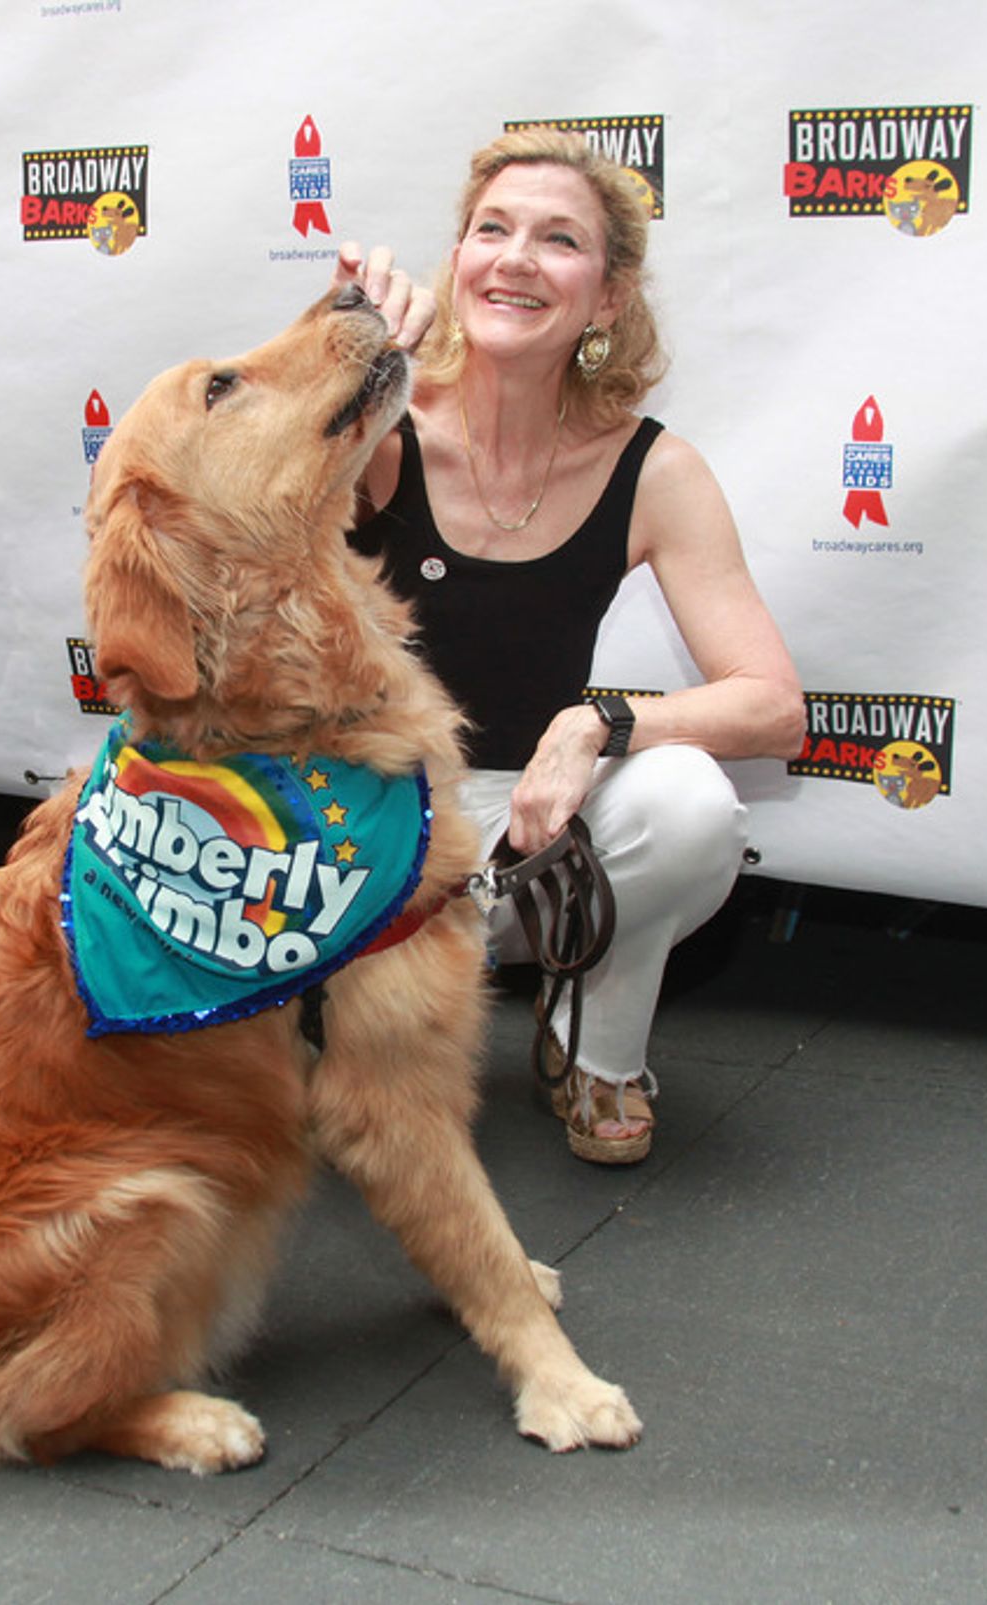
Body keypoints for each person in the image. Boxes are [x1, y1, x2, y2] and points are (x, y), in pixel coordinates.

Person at [336, 126, 805, 1165]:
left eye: (557, 240)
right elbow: (222, 515)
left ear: (605, 298)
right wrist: (342, 354)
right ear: (454, 262)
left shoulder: (651, 467)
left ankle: (595, 1051)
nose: (513, 257)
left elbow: (772, 704)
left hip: (534, 840)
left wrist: (594, 722)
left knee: (686, 801)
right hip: (361, 818)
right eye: (489, 230)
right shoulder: (378, 429)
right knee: (324, 1119)